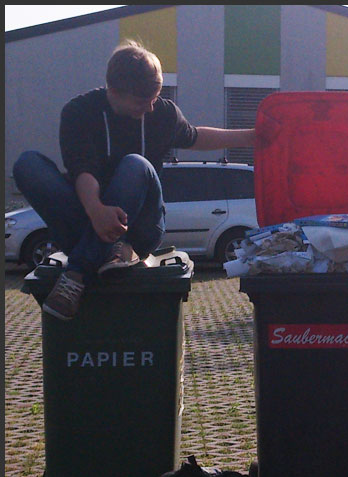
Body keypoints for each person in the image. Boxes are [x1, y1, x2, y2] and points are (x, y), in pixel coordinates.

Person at [12, 40, 256, 320]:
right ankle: (109, 251)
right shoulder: (79, 112)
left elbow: (195, 136)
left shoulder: (162, 113)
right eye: (143, 101)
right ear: (113, 91)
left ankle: (76, 274)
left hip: (141, 227)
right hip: (90, 218)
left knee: (136, 164)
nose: (151, 108)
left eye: (155, 98)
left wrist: (252, 136)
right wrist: (96, 210)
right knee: (28, 164)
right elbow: (83, 169)